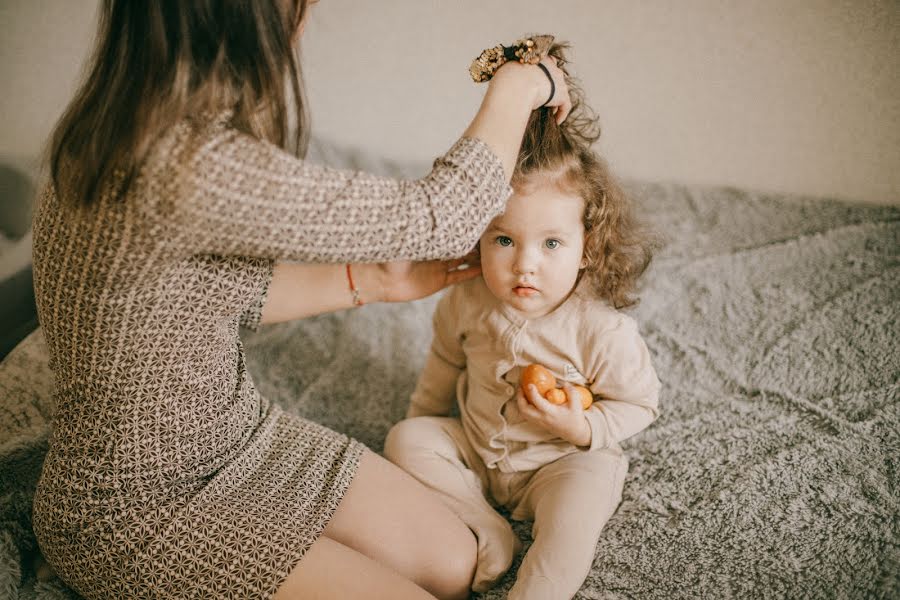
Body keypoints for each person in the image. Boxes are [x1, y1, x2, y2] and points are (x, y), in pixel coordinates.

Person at [29, 2, 573, 598]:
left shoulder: (155, 119)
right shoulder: (184, 162)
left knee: (450, 564)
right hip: (132, 508)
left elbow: (202, 293)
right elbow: (442, 215)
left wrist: (375, 283)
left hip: (232, 433)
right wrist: (521, 82)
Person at [383, 42, 661, 599]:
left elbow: (640, 404)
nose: (524, 264)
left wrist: (580, 429)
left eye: (552, 243)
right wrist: (427, 426)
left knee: (584, 499)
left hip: (557, 463)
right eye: (503, 239)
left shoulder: (602, 330)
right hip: (478, 447)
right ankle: (483, 524)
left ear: (587, 248)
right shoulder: (466, 301)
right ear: (479, 237)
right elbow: (443, 366)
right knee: (406, 438)